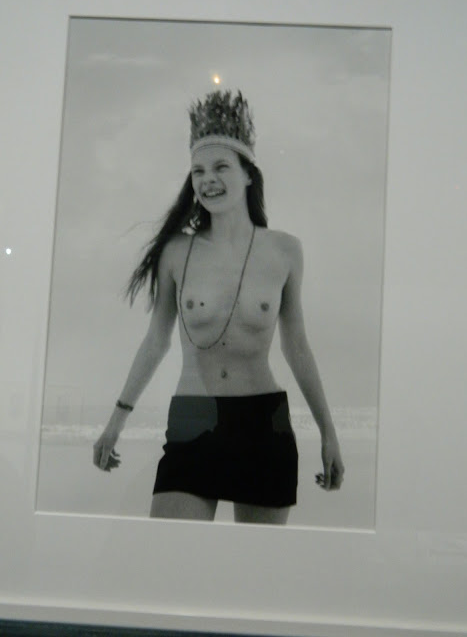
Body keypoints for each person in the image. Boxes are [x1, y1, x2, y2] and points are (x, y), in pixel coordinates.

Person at [93, 90, 344, 524]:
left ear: (248, 175)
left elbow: (297, 347)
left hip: (264, 424)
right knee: (168, 556)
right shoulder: (176, 252)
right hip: (194, 420)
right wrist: (116, 420)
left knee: (254, 564)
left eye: (221, 167)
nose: (208, 179)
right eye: (198, 171)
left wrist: (328, 432)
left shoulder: (285, 251)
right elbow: (155, 341)